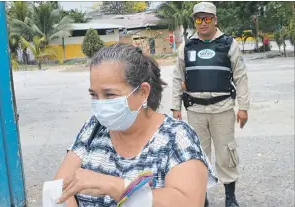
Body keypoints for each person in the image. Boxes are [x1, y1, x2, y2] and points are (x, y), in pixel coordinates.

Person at [54, 43, 218, 207]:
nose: (100, 104)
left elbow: (188, 202)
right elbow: (59, 187)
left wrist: (113, 185)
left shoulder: (177, 137)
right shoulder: (94, 128)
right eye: (94, 95)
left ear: (143, 92)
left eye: (110, 94)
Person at [171, 2, 250, 207]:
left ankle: (230, 197)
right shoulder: (186, 46)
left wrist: (243, 107)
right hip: (195, 110)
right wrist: (175, 107)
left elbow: (241, 77)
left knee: (226, 153)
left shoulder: (228, 44)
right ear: (195, 21)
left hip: (222, 108)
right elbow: (177, 76)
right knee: (198, 155)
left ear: (215, 20)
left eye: (207, 18)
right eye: (199, 19)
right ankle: (201, 197)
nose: (203, 23)